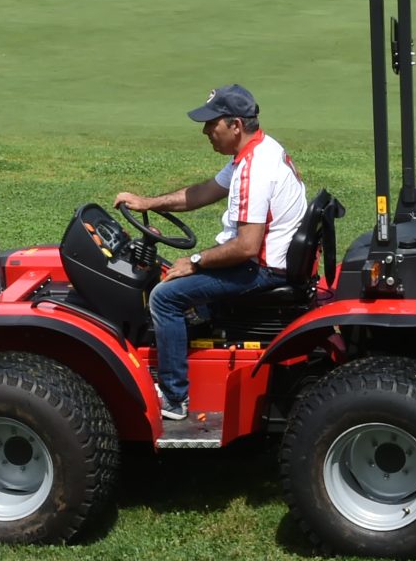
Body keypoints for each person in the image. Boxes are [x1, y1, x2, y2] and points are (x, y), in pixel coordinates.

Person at [115, 83, 309, 422]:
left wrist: (195, 261)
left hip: (260, 270)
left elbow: (247, 246)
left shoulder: (255, 170)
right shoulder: (257, 151)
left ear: (235, 125)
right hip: (267, 262)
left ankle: (174, 399)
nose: (206, 131)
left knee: (164, 297)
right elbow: (205, 191)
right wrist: (148, 202)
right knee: (176, 275)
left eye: (212, 123)